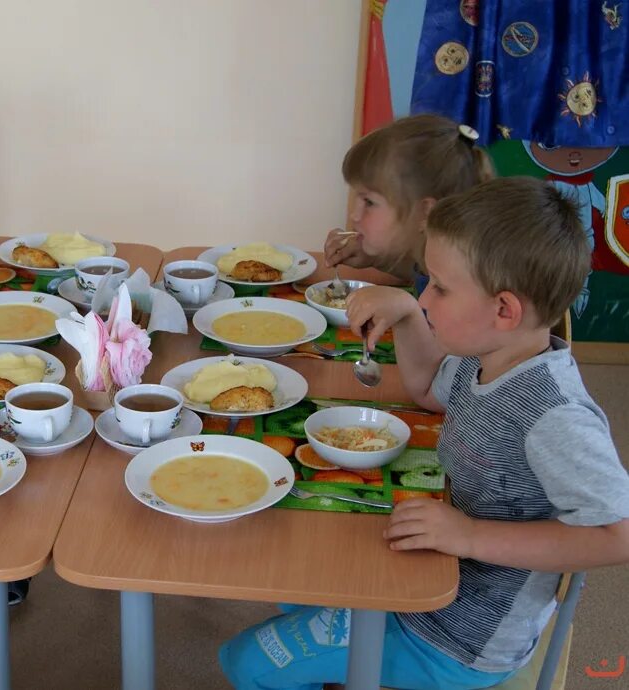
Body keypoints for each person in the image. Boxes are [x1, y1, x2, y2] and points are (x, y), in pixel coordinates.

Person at [222, 177, 629, 690]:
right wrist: (410, 317)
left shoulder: (554, 415)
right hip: (434, 572)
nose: (426, 295)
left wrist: (470, 535)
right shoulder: (484, 355)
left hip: (456, 635)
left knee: (247, 663)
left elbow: (618, 534)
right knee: (290, 573)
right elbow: (426, 391)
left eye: (438, 286)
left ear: (504, 310)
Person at [324, 114, 494, 295]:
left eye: (369, 202)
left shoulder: (469, 293)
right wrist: (379, 261)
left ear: (426, 211)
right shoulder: (441, 262)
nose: (355, 215)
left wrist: (410, 315)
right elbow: (422, 275)